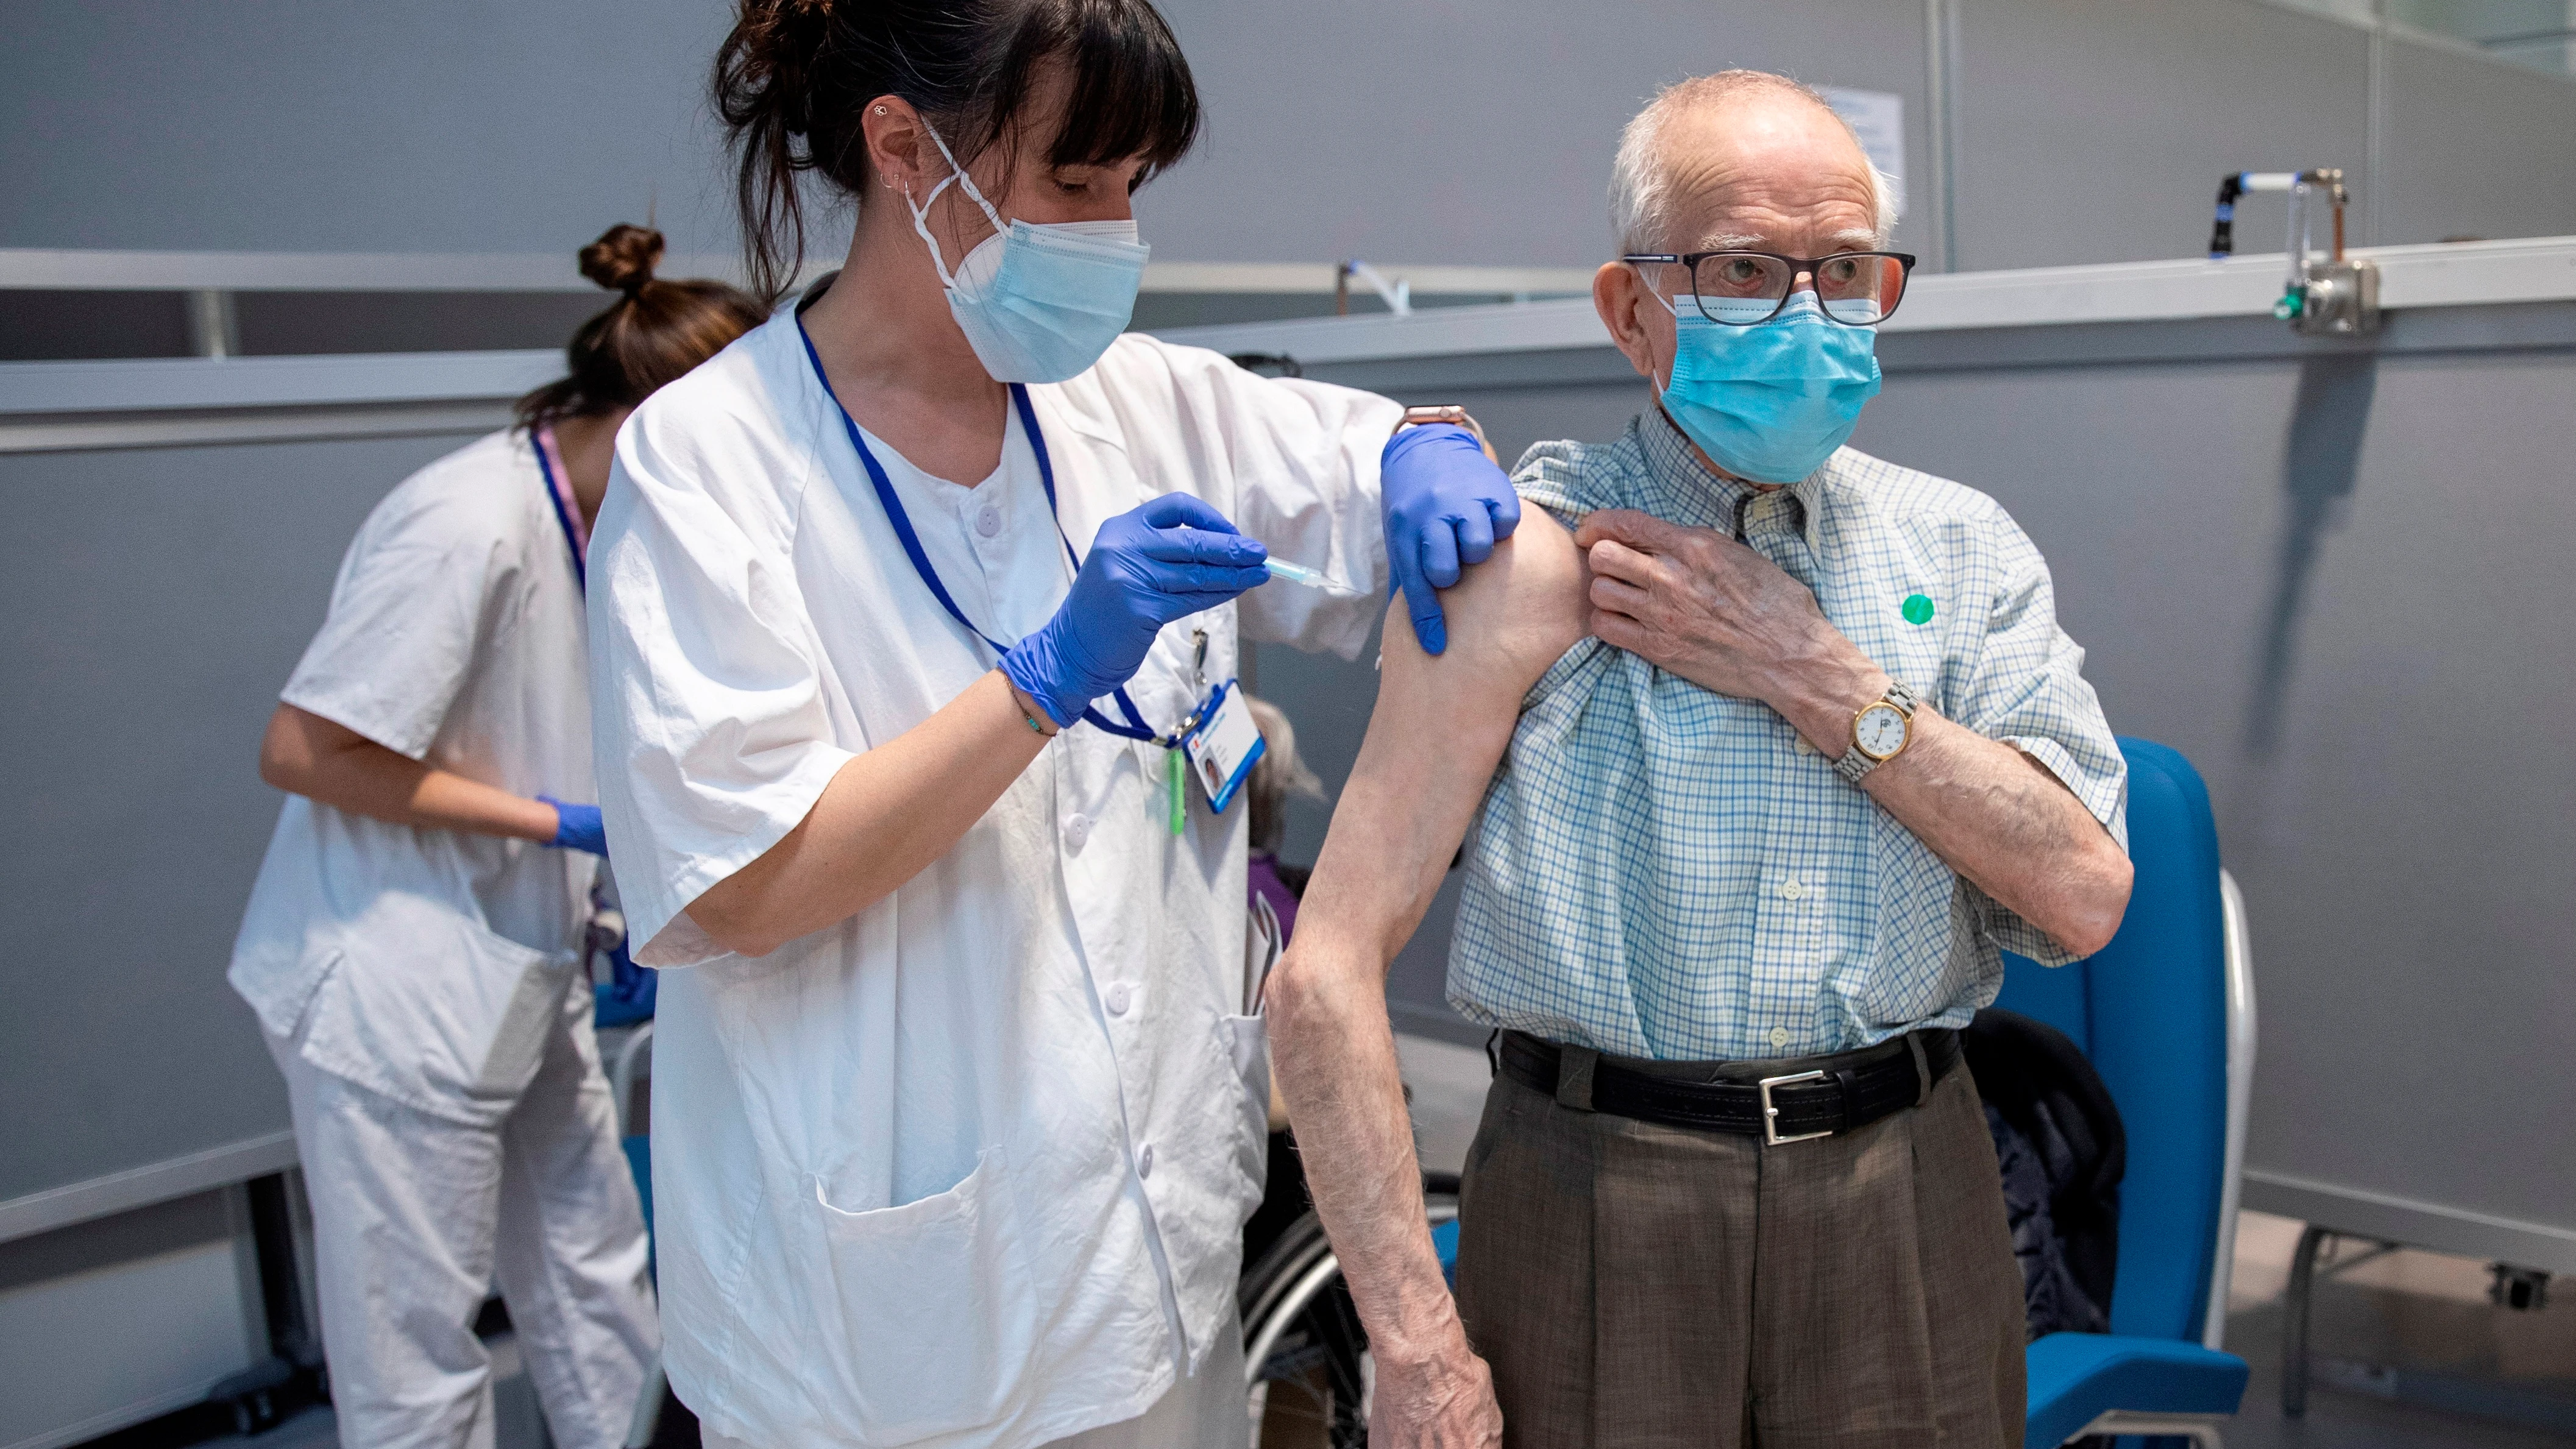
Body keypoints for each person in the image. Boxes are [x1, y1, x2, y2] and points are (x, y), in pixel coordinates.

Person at [581, 4, 1519, 1447]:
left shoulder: (1129, 399)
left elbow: (1368, 484)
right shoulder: (710, 462)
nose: (1117, 229)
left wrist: (1426, 441)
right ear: (902, 147)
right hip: (890, 1316)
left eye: (1134, 184)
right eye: (1076, 185)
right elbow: (748, 883)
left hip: (1157, 1256)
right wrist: (1041, 682)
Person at [1267, 71, 2137, 1448]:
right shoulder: (1527, 563)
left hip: (1908, 1184)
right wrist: (1416, 1347)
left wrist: (1815, 675)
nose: (1805, 314)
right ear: (1632, 310)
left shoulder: (1959, 549)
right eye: (1744, 269)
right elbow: (1320, 978)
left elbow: (2083, 895)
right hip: (1599, 1200)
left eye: (1844, 272)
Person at [229, 225, 765, 1449]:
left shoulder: (605, 527)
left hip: (522, 972)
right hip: (395, 997)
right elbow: (306, 749)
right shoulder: (464, 521)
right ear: (652, 418)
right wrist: (560, 825)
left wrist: (609, 888)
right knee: (416, 1357)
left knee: (600, 1294)